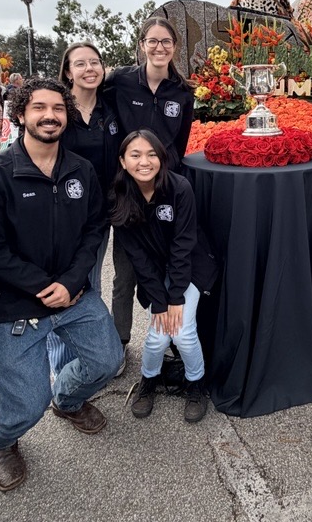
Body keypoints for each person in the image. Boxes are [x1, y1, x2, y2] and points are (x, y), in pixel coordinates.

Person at [0, 79, 122, 492]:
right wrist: (41, 286)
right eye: (38, 107)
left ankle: (67, 401)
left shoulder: (80, 170)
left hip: (73, 293)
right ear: (20, 115)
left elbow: (93, 230)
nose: (49, 115)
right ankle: (1, 441)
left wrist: (71, 283)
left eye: (57, 107)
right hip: (15, 303)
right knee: (24, 404)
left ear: (67, 115)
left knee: (108, 361)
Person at [102, 18, 194, 364]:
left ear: (174, 46)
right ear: (142, 44)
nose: (159, 48)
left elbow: (180, 146)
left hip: (166, 189)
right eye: (152, 41)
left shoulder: (182, 93)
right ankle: (120, 343)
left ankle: (170, 337)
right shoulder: (120, 82)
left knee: (167, 264)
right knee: (125, 274)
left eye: (166, 41)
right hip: (127, 190)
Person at [114, 130, 218, 422]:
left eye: (151, 154)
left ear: (162, 158)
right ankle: (149, 380)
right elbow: (138, 258)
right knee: (158, 337)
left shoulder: (179, 188)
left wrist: (176, 298)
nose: (144, 162)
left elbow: (183, 246)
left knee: (183, 334)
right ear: (123, 161)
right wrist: (160, 301)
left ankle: (195, 382)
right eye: (135, 155)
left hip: (190, 267)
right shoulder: (120, 196)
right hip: (155, 274)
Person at [45, 41, 121, 378]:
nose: (90, 69)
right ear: (67, 71)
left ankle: (87, 361)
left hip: (101, 213)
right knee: (66, 283)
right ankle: (63, 370)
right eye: (81, 63)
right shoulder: (57, 110)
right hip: (62, 213)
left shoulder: (110, 108)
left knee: (91, 282)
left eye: (95, 62)